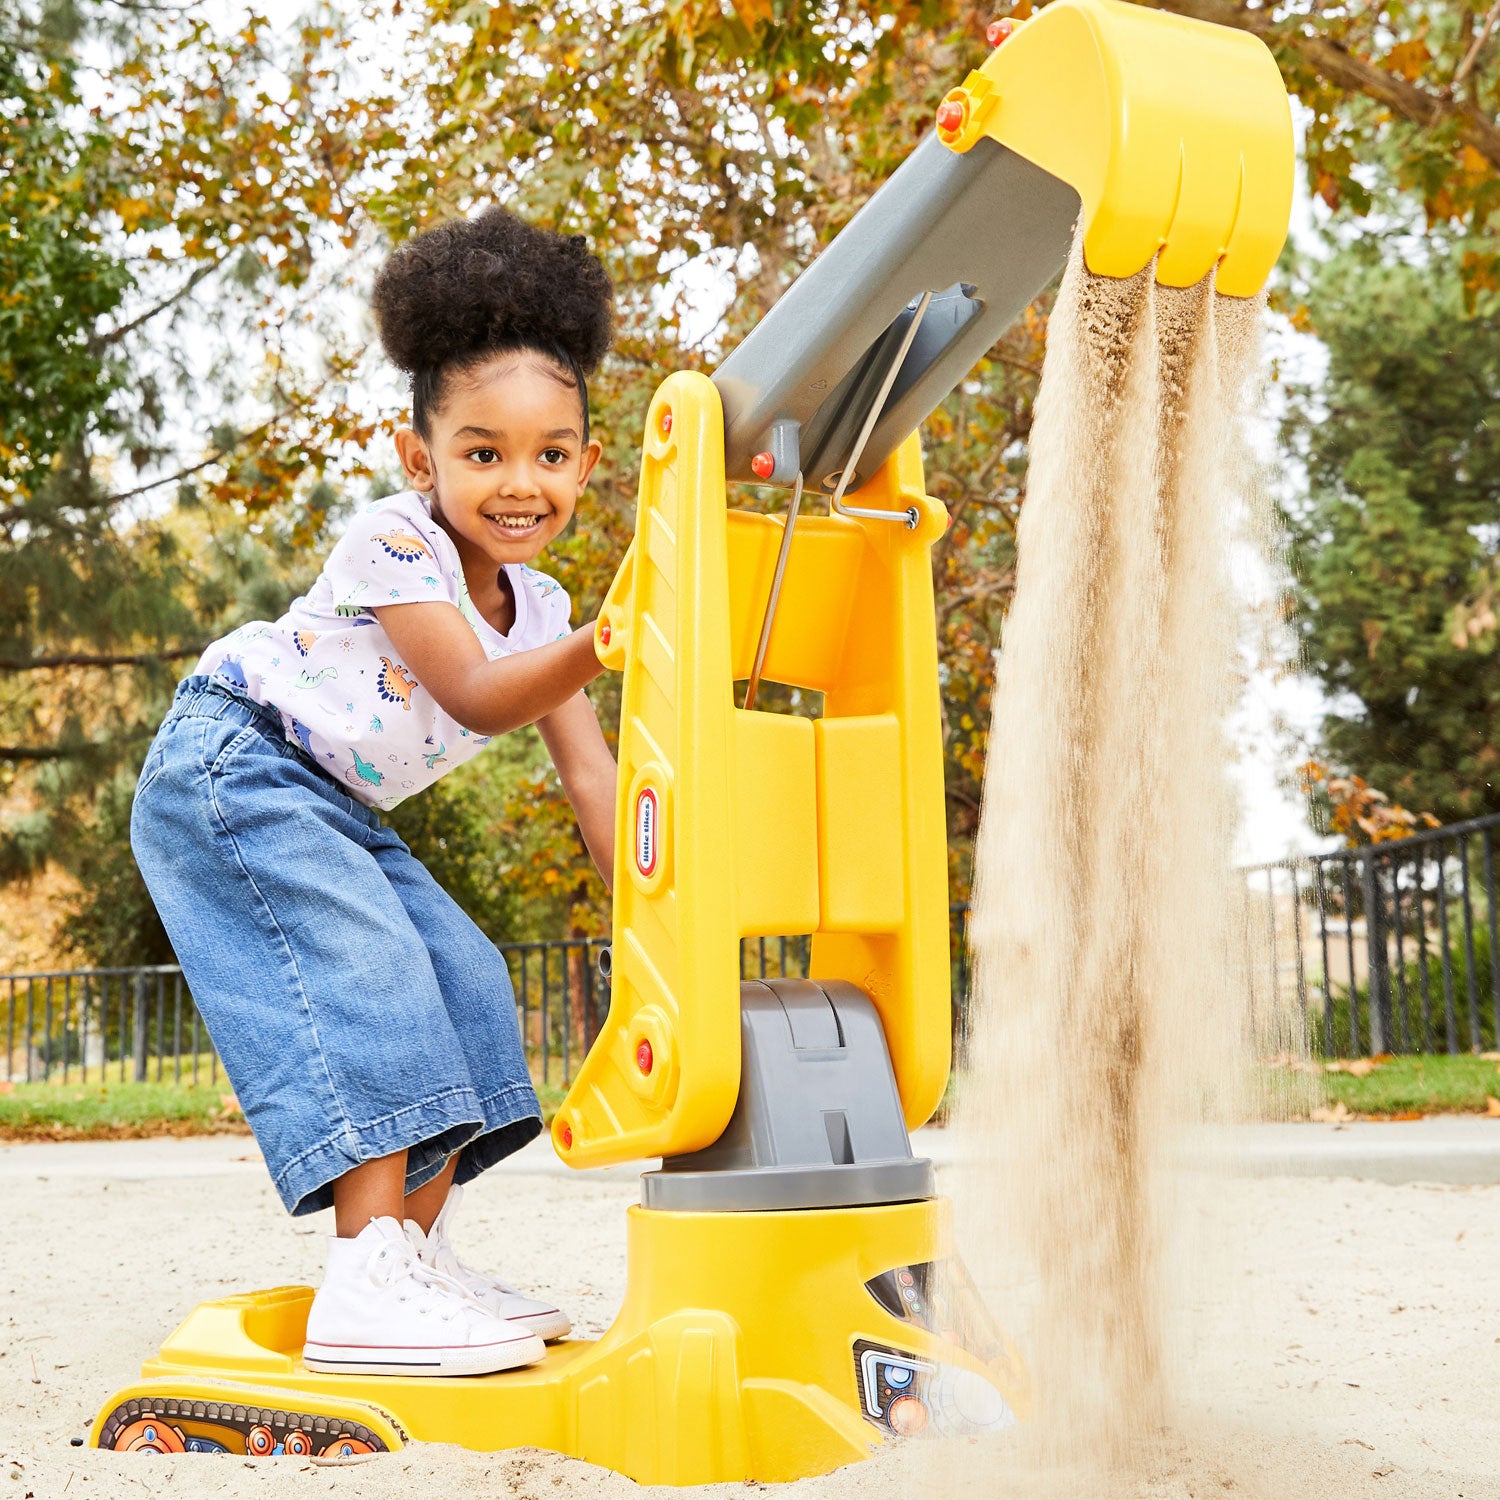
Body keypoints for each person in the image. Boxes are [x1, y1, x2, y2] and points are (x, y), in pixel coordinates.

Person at [130, 207, 618, 1378]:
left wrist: (661, 911)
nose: (519, 483)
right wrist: (612, 639)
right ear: (423, 460)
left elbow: (591, 772)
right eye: (482, 452)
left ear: (587, 464)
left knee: (468, 981)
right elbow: (476, 692)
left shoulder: (546, 616)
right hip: (236, 759)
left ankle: (414, 1262)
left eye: (551, 454)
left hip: (331, 802)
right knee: (379, 978)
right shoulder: (394, 544)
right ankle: (364, 1274)